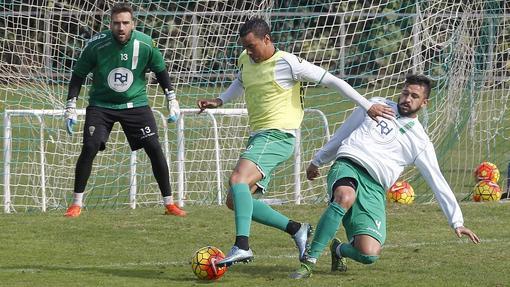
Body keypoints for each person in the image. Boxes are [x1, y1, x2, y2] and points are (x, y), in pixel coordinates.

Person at [196, 17, 394, 267]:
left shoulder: (289, 63)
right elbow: (241, 80)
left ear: (267, 40)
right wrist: (220, 100)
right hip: (260, 136)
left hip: (277, 135)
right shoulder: (246, 59)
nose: (248, 52)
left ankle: (242, 246)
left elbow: (333, 81)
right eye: (245, 47)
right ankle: (296, 229)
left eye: (252, 46)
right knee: (235, 199)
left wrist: (367, 106)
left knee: (238, 180)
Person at [289, 74, 481, 279]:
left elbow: (436, 180)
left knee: (368, 254)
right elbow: (343, 133)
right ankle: (309, 261)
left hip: (375, 188)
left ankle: (338, 250)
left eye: (414, 96)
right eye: (405, 93)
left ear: (424, 103)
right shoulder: (375, 105)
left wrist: (456, 222)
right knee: (345, 196)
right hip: (348, 165)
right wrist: (318, 160)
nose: (407, 99)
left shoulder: (421, 142)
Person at [63, 2, 185, 217]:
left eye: (125, 23)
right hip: (101, 105)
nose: (121, 28)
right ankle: (76, 204)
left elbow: (161, 70)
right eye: (116, 23)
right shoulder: (95, 45)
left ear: (133, 24)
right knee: (90, 146)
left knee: (154, 147)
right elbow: (78, 75)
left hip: (135, 105)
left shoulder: (146, 44)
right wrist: (71, 105)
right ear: (110, 24)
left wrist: (172, 99)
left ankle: (169, 203)